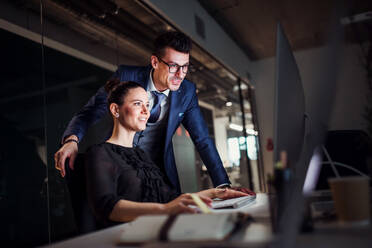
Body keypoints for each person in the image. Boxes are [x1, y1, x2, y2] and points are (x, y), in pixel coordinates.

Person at [55, 31, 230, 193]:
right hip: (120, 167)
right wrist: (72, 139)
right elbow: (91, 111)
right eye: (173, 66)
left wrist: (223, 185)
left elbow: (202, 139)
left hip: (159, 172)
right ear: (155, 62)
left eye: (185, 67)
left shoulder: (187, 91)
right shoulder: (126, 76)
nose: (180, 74)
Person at [86, 80, 248, 227]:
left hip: (159, 229)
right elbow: (106, 206)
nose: (145, 111)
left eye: (147, 104)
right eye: (137, 104)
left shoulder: (142, 154)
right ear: (115, 109)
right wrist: (164, 209)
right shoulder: (100, 153)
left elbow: (171, 198)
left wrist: (217, 193)